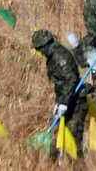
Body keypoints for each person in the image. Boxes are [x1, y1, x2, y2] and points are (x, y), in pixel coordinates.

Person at [32, 29, 84, 158]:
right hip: (66, 100)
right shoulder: (53, 55)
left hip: (76, 102)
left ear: (44, 46)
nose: (39, 53)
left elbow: (71, 80)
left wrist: (64, 103)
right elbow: (61, 83)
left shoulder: (59, 56)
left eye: (39, 49)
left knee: (73, 142)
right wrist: (59, 103)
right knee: (57, 137)